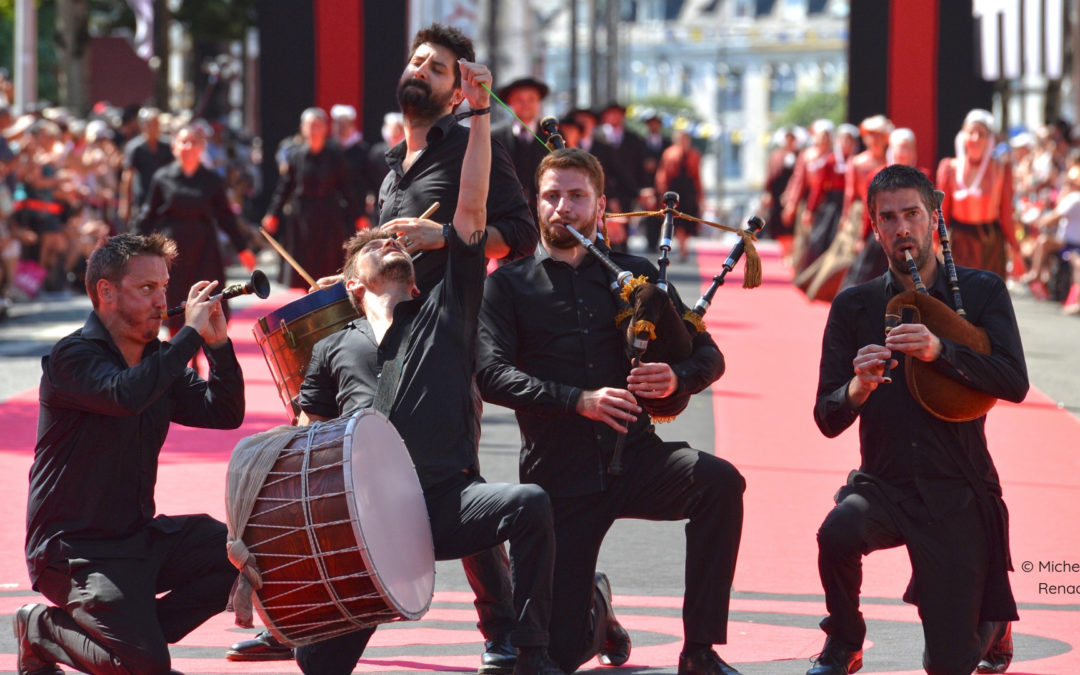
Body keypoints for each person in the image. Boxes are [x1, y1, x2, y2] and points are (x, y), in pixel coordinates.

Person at [227, 24, 534, 674]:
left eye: (439, 66)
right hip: (370, 335)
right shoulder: (393, 162)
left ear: (456, 93)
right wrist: (355, 275)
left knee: (450, 480)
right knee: (332, 463)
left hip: (440, 337)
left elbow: (520, 233)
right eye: (419, 59)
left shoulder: (475, 148)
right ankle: (301, 606)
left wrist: (442, 237)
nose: (423, 68)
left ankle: (503, 629)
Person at [477, 148, 746, 675]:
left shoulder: (638, 275)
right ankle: (594, 612)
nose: (563, 208)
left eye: (577, 197)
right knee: (553, 657)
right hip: (557, 479)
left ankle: (699, 651)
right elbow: (491, 376)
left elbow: (708, 355)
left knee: (720, 483)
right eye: (552, 197)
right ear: (536, 204)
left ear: (601, 206)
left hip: (637, 460)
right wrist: (578, 401)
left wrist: (678, 376)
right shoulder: (506, 286)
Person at [807, 165, 1028, 675]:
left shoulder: (982, 291)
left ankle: (992, 623)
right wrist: (857, 388)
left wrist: (942, 350)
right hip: (884, 483)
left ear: (933, 218)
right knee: (837, 533)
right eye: (889, 217)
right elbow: (826, 416)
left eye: (912, 213)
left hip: (959, 488)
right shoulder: (853, 304)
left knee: (947, 665)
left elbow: (1013, 381)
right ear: (874, 225)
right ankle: (844, 640)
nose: (901, 227)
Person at [16, 232, 245, 674]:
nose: (162, 301)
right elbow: (126, 395)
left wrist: (216, 346)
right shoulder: (72, 357)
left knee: (241, 554)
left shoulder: (156, 358)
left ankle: (129, 644)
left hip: (136, 538)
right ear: (106, 292)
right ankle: (42, 627)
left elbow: (224, 412)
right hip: (73, 551)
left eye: (163, 287)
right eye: (146, 289)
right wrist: (189, 333)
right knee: (147, 667)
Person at [133, 123, 256, 336]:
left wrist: (242, 249)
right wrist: (132, 247)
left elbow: (226, 217)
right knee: (174, 297)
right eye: (183, 142)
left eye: (194, 142)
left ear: (202, 147)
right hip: (173, 250)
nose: (188, 146)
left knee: (208, 297)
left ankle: (204, 348)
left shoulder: (212, 180)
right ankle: (177, 350)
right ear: (174, 147)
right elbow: (148, 214)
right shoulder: (163, 177)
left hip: (205, 248)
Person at [262, 107, 363, 288]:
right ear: (303, 128)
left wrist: (358, 216)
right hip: (303, 216)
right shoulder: (295, 155)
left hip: (329, 216)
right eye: (310, 126)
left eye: (318, 125)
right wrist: (273, 214)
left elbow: (346, 188)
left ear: (325, 128)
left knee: (329, 261)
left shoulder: (335, 156)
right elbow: (284, 187)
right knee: (304, 262)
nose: (314, 130)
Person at [936, 109, 1022, 280]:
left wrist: (1015, 249)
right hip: (959, 244)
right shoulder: (950, 168)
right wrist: (934, 243)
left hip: (989, 243)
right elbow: (941, 212)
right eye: (971, 133)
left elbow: (1006, 213)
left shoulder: (1001, 169)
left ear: (989, 140)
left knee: (988, 299)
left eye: (981, 134)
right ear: (963, 136)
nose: (975, 138)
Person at [492, 75, 550, 213]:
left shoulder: (552, 136)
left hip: (544, 212)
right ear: (510, 102)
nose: (525, 104)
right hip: (504, 211)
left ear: (538, 102)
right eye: (519, 99)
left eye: (531, 99)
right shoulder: (494, 135)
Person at [118, 107, 173, 228]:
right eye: (151, 124)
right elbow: (128, 176)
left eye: (156, 124)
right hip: (142, 200)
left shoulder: (168, 146)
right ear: (143, 125)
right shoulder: (134, 148)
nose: (154, 127)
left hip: (164, 201)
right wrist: (125, 204)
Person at [655, 129, 704, 261]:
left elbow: (697, 176)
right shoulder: (669, 153)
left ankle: (684, 245)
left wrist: (700, 196)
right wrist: (662, 190)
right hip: (674, 189)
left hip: (689, 191)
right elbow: (663, 173)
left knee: (688, 220)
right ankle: (682, 246)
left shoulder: (695, 154)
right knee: (677, 220)